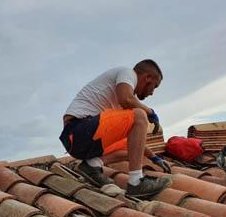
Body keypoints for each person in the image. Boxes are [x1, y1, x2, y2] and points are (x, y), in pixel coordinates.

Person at [59, 59, 172, 198]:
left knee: (134, 147)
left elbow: (134, 141)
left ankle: (92, 165)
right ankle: (136, 182)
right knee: (139, 115)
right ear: (147, 77)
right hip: (77, 131)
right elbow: (126, 99)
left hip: (82, 140)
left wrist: (154, 158)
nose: (152, 93)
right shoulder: (128, 73)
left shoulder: (119, 104)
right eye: (154, 86)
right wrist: (150, 113)